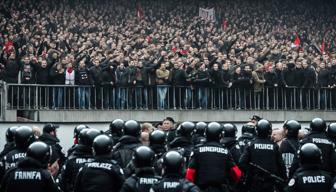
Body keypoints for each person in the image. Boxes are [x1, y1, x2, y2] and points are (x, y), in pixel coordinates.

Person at [186, 122, 242, 192]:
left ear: (205, 134)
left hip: (200, 189)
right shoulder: (225, 152)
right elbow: (237, 173)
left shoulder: (197, 151)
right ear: (221, 135)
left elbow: (190, 174)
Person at [239, 119, 287, 192]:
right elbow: (281, 166)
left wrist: (251, 173)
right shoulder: (274, 146)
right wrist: (284, 180)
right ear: (270, 131)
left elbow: (242, 163)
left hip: (254, 183)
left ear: (256, 130)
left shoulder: (251, 145)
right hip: (270, 183)